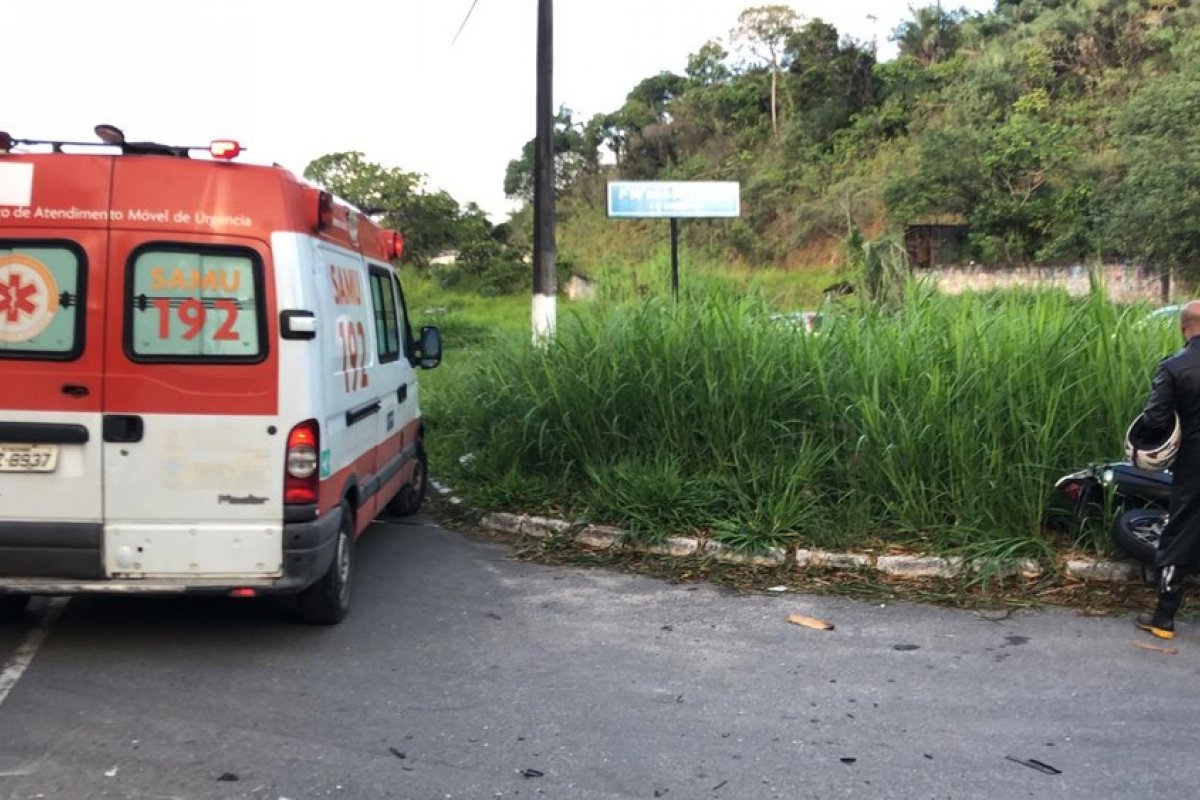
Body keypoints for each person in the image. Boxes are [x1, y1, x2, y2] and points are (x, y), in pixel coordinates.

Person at [1135, 300, 1200, 639]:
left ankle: (1163, 619)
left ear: (1183, 328)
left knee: (1180, 533)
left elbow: (1154, 419)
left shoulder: (1175, 367)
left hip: (1194, 464)